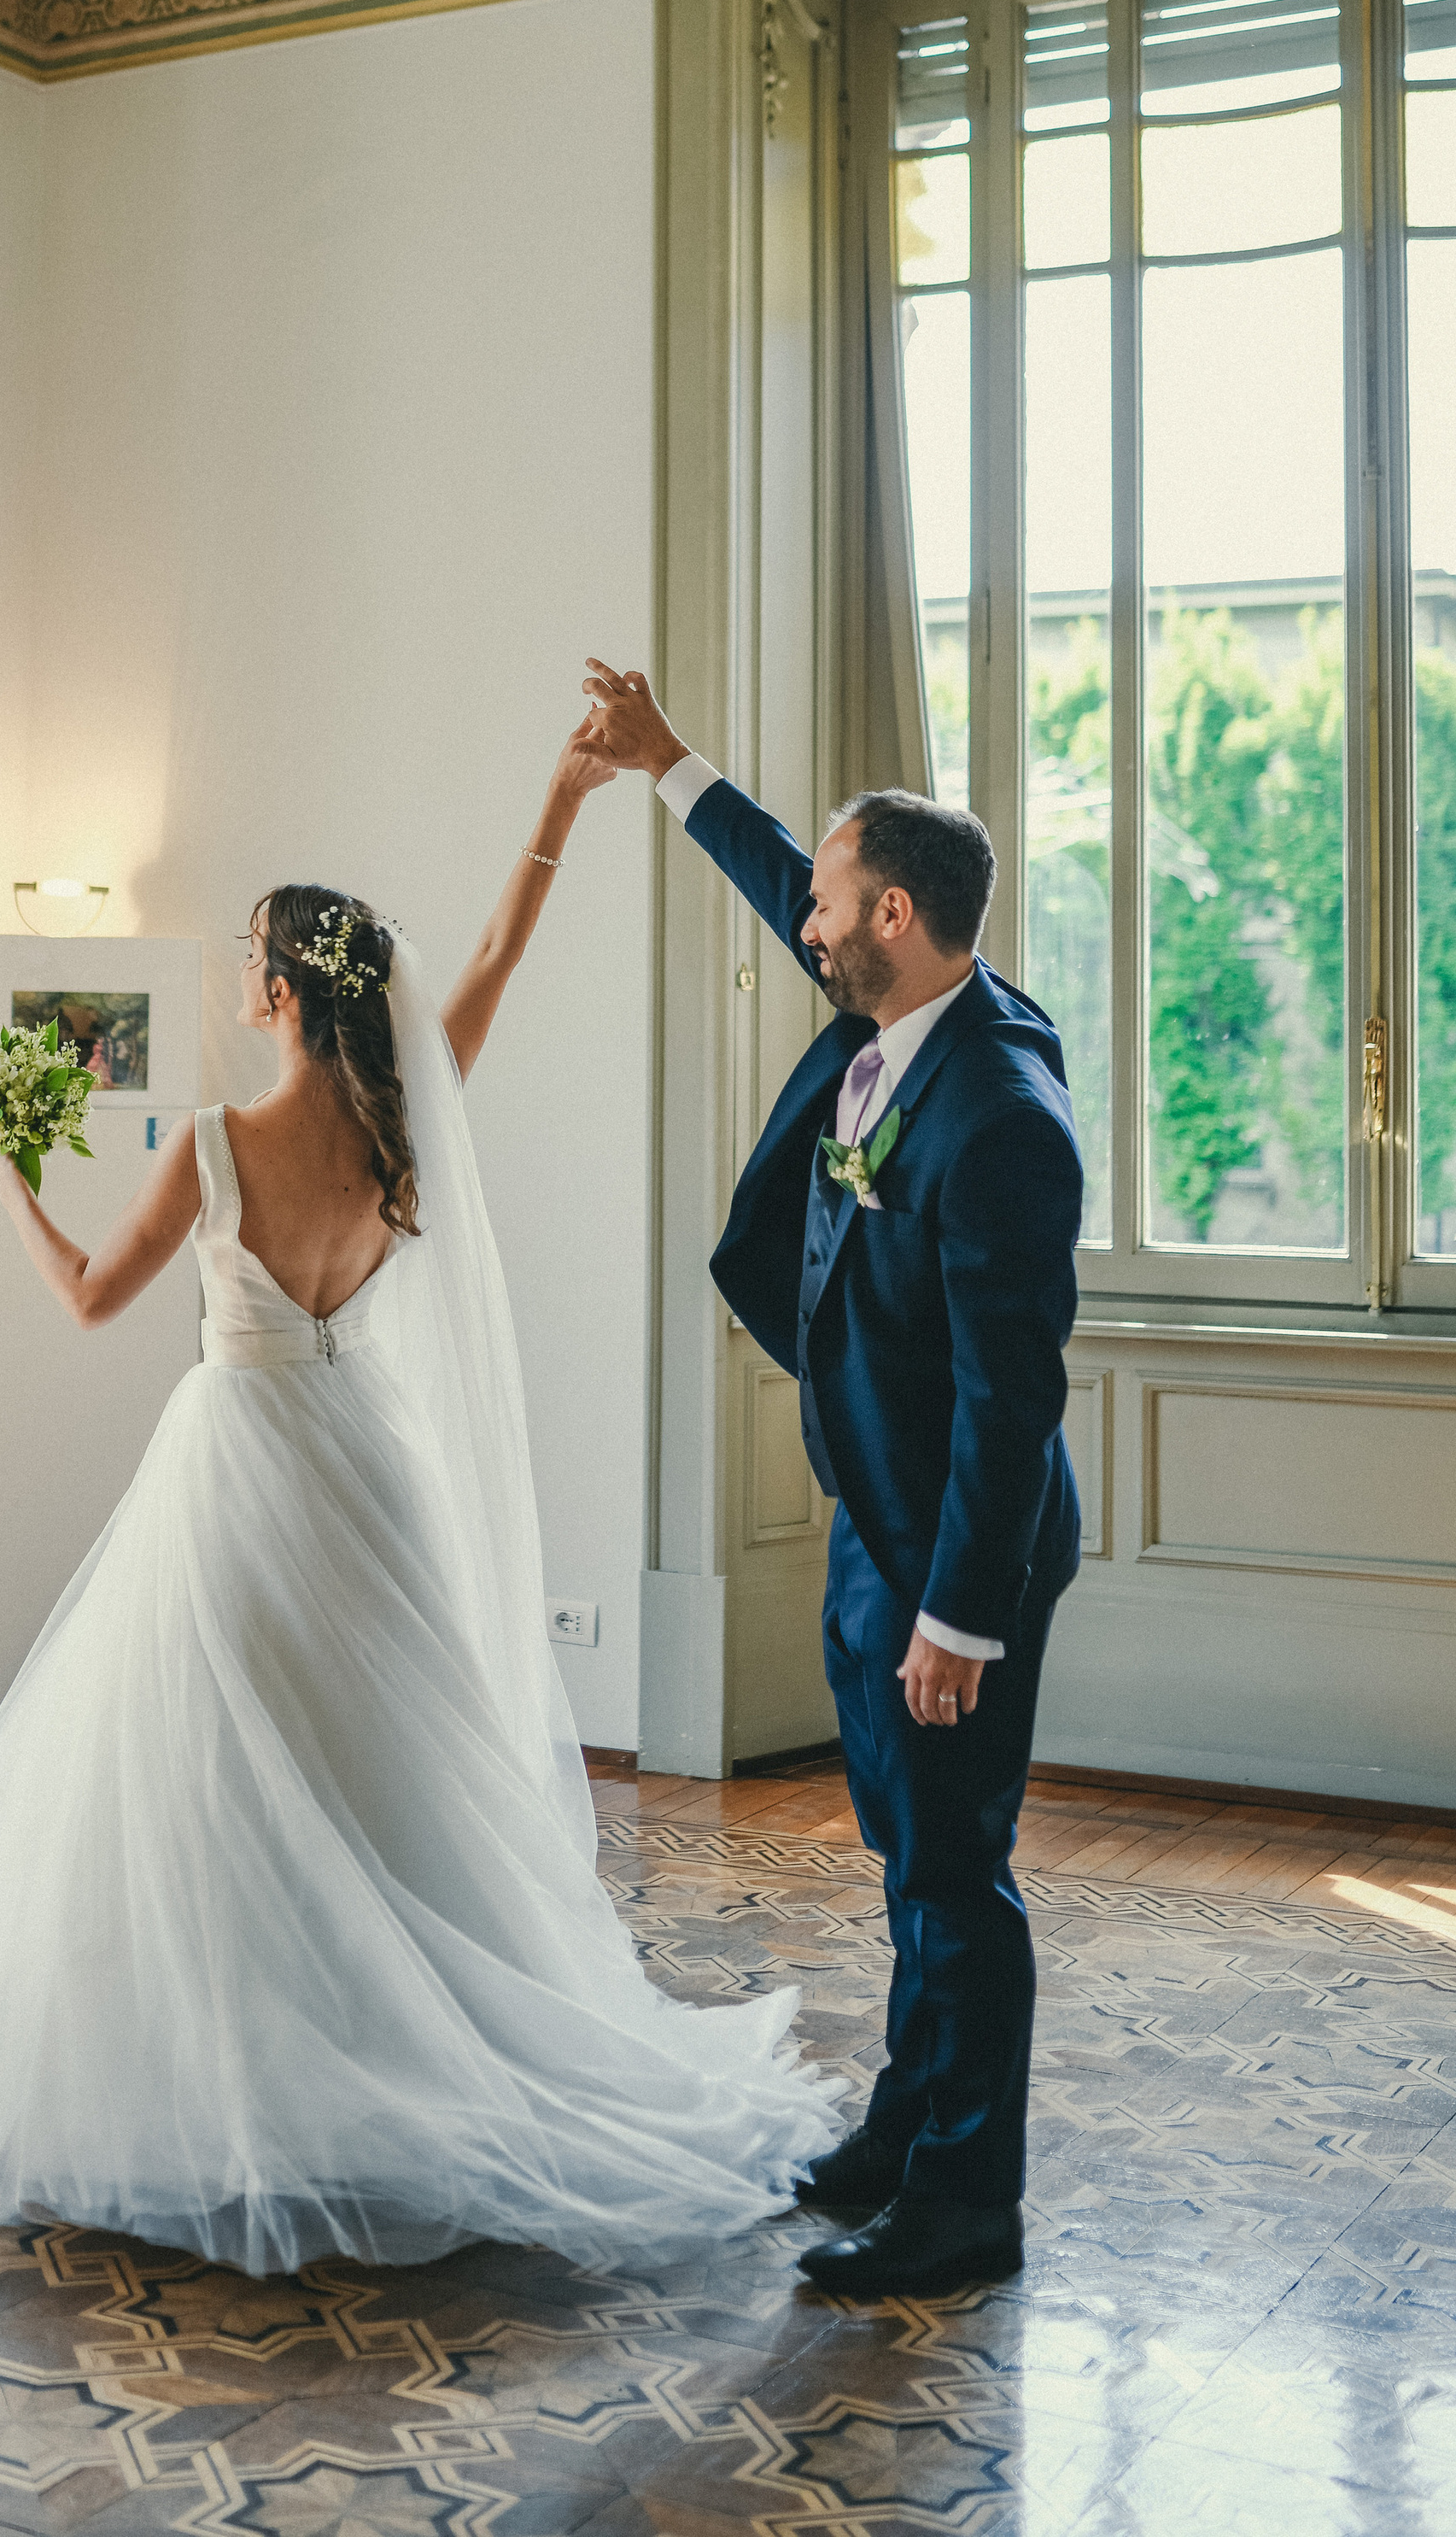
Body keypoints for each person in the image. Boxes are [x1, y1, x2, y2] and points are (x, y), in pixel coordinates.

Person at [0, 726, 837, 2277]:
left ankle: (228, 2058)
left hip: (236, 1468)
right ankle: (392, 2031)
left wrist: (5, 1168)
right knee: (376, 1766)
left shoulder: (218, 1145)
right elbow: (491, 950)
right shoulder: (409, 1116)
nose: (238, 974)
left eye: (248, 958)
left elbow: (87, 1297)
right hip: (364, 1463)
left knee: (203, 1766)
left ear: (281, 988)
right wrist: (556, 802)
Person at [582, 659, 1083, 2302]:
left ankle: (965, 2206)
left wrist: (959, 1614)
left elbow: (1012, 1400)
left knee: (956, 1877)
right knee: (907, 1856)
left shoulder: (1000, 1110)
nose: (807, 920)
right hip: (883, 1525)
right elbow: (783, 865)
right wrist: (669, 767)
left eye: (832, 903)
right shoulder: (908, 999)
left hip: (956, 1555)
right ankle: (906, 2122)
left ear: (896, 921)